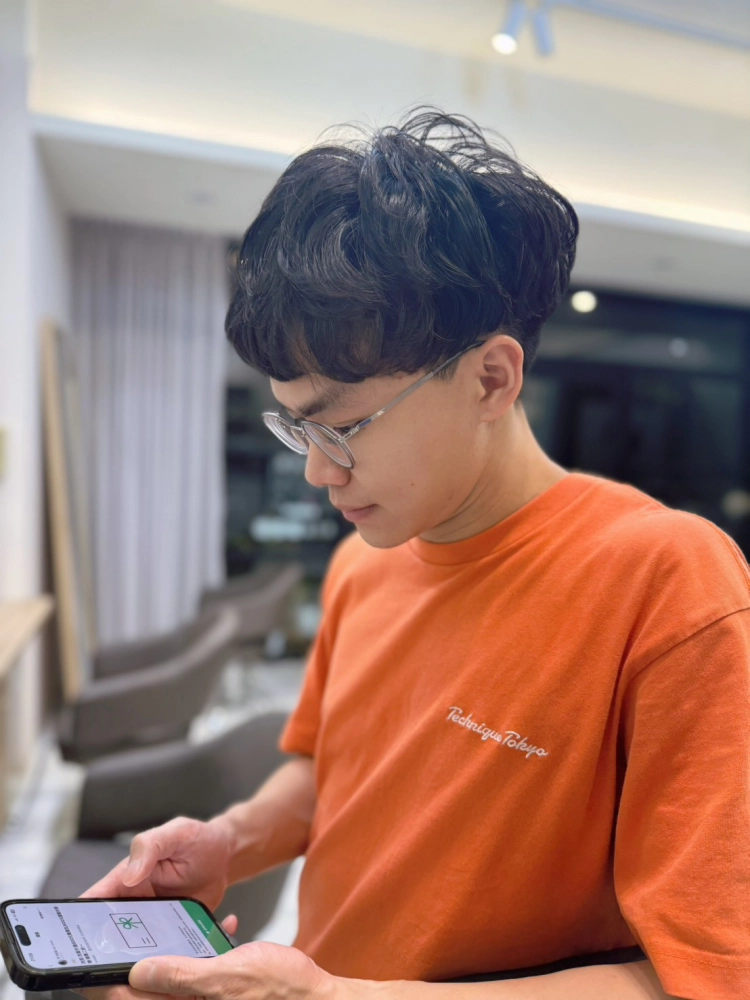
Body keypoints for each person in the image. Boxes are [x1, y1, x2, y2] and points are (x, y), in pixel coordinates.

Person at [83, 109, 749, 1000]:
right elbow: (328, 774)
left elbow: (701, 977)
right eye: (297, 427)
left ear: (490, 378)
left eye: (343, 425)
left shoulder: (668, 584)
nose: (318, 470)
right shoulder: (365, 559)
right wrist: (231, 841)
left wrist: (336, 998)